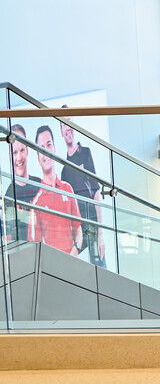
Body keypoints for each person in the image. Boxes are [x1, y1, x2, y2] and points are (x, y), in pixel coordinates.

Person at [59, 112, 106, 268]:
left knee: (99, 266)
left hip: (91, 223)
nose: (68, 127)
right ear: (61, 131)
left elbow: (96, 193)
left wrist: (100, 233)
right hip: (77, 228)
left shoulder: (85, 152)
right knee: (70, 264)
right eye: (64, 123)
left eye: (70, 122)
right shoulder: (64, 170)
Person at [27, 126, 82, 256]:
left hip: (73, 263)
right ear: (38, 158)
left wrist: (75, 251)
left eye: (49, 144)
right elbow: (35, 248)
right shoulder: (36, 203)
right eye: (41, 148)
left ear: (55, 149)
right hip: (52, 269)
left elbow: (78, 228)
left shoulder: (68, 189)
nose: (46, 151)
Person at [3, 124, 39, 242]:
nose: (19, 158)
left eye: (22, 150)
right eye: (14, 152)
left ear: (27, 151)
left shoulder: (40, 186)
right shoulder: (8, 195)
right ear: (9, 156)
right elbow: (8, 234)